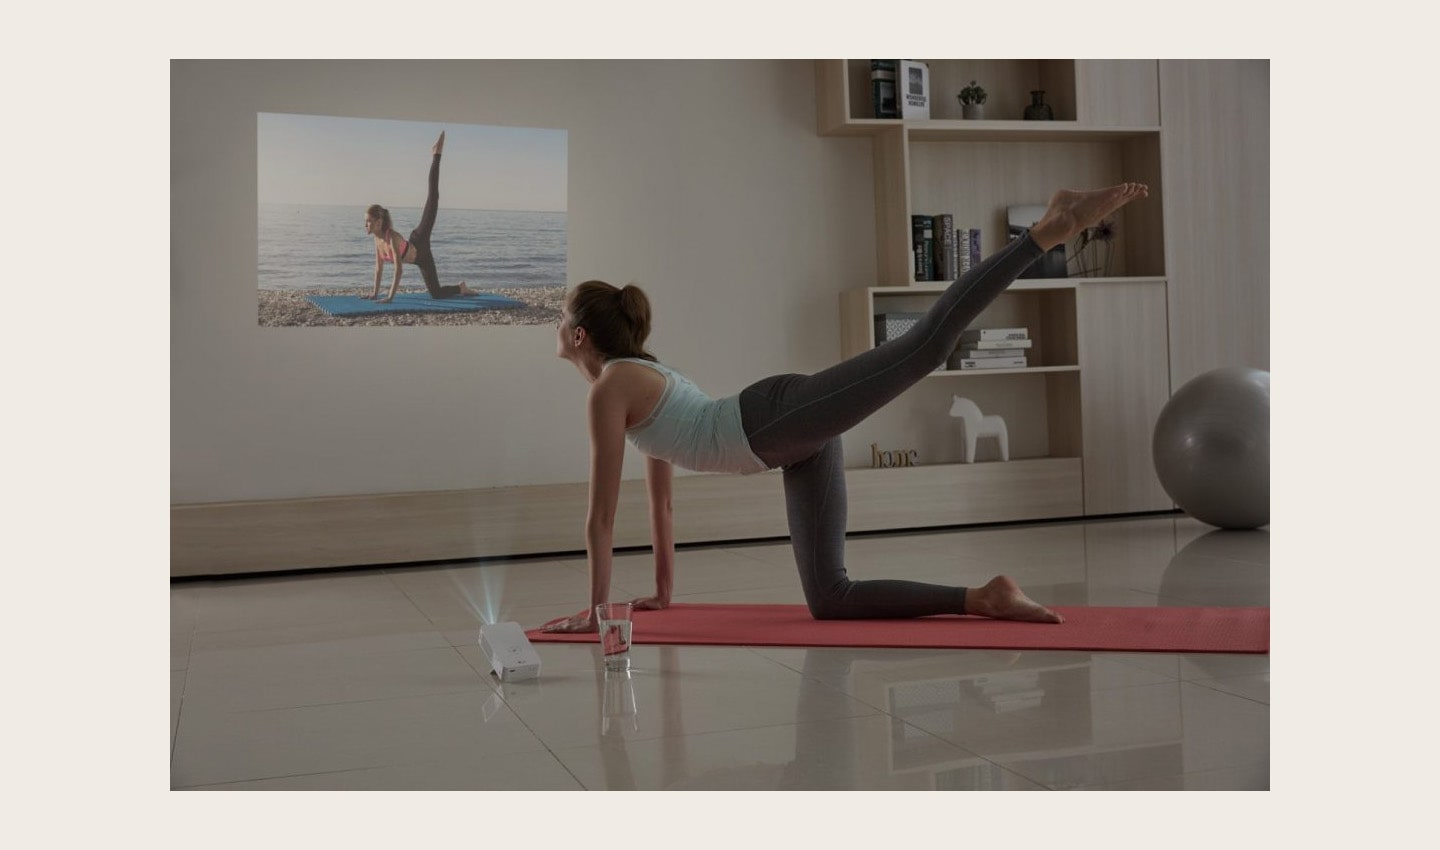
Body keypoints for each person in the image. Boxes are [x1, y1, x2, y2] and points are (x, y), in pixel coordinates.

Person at [541, 183, 1149, 633]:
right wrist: (663, 595)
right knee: (830, 599)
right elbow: (662, 501)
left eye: (562, 314)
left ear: (579, 337)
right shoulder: (633, 378)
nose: (557, 321)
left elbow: (599, 520)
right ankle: (985, 597)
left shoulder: (610, 389)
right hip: (788, 446)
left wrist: (597, 617)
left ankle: (1043, 233)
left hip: (774, 419)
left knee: (925, 348)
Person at [362, 131, 474, 302]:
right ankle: (461, 288)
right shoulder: (377, 240)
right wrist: (375, 293)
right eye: (365, 222)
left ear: (379, 222)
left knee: (433, 199)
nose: (366, 225)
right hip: (421, 260)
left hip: (419, 241)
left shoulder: (391, 236)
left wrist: (390, 297)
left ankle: (436, 154)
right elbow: (378, 268)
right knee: (436, 294)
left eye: (368, 221)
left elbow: (398, 270)